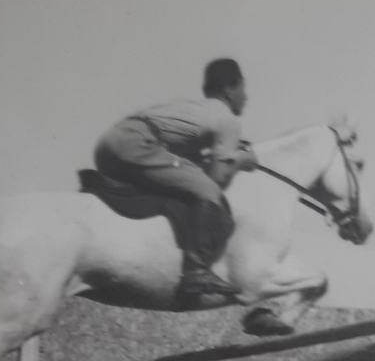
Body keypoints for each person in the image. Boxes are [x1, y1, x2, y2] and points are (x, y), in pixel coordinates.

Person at [94, 58, 259, 309]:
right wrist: (241, 160)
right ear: (230, 89)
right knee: (208, 191)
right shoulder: (227, 119)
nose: (246, 97)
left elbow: (184, 164)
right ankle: (196, 271)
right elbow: (217, 180)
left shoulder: (195, 109)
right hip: (135, 144)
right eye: (243, 88)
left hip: (110, 144)